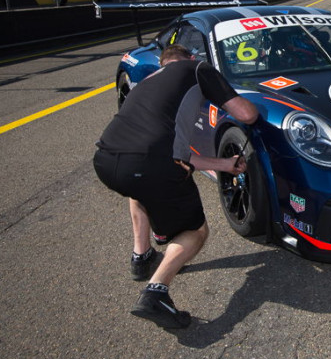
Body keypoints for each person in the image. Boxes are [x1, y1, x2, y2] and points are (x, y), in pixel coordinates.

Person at [93, 44, 259, 329]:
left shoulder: (149, 82)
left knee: (139, 187)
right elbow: (246, 114)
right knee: (195, 232)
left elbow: (173, 151)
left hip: (107, 160)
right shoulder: (197, 69)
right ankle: (155, 292)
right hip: (148, 162)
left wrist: (223, 165)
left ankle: (141, 256)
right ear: (190, 58)